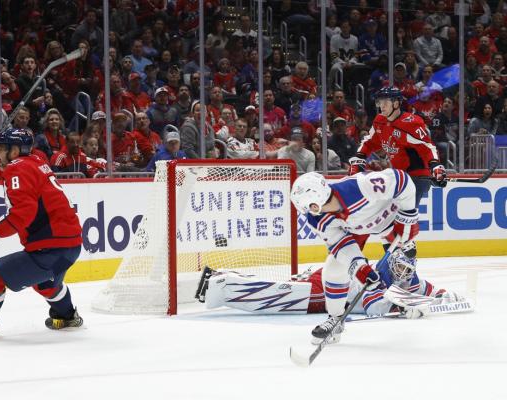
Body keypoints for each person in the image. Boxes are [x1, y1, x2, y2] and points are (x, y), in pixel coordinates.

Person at [0, 128, 83, 334]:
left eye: (0, 149)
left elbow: (22, 214)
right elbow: (14, 175)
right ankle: (68, 317)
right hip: (70, 245)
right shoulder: (36, 159)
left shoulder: (17, 168)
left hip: (50, 248)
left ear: (15, 151)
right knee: (44, 283)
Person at [287, 169, 419, 343]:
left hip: (390, 218)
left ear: (316, 201)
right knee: (334, 267)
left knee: (403, 257)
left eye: (309, 207)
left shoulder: (360, 186)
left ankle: (409, 280)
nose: (308, 213)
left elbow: (402, 180)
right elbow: (340, 246)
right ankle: (336, 319)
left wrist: (408, 216)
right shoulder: (317, 220)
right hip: (357, 229)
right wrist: (359, 268)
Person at [197, 248, 463, 318]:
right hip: (325, 289)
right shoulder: (376, 276)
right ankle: (222, 284)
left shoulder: (405, 275)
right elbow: (374, 307)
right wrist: (401, 309)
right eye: (401, 266)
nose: (404, 272)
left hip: (332, 280)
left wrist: (444, 295)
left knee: (286, 288)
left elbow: (425, 288)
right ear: (391, 263)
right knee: (280, 297)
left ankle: (224, 278)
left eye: (407, 268)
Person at [349, 87, 447, 208]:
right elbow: (370, 142)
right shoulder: (380, 121)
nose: (381, 106)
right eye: (380, 102)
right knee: (386, 215)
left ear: (396, 103)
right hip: (398, 177)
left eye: (385, 102)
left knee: (403, 216)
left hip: (417, 176)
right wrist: (359, 158)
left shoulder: (411, 123)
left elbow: (427, 147)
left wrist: (435, 166)